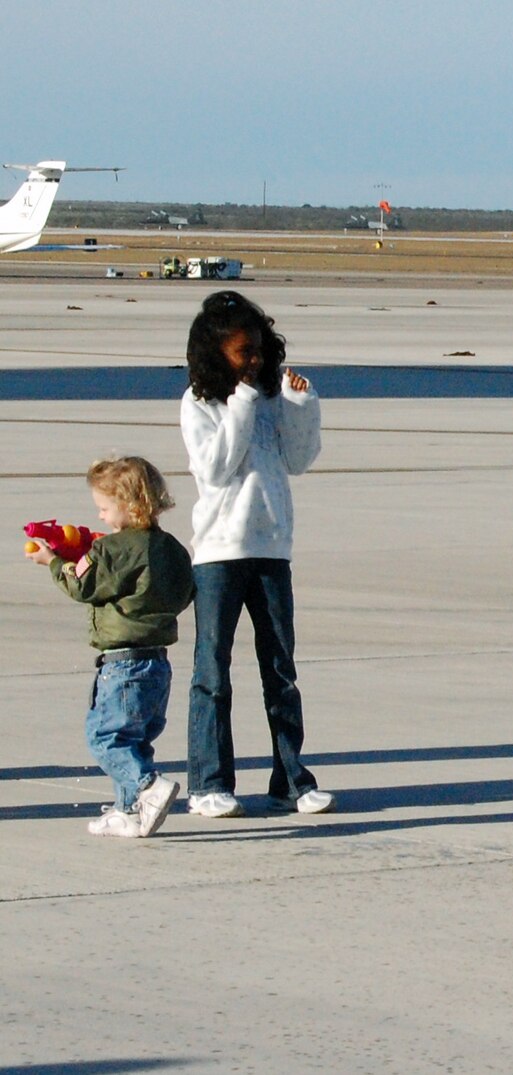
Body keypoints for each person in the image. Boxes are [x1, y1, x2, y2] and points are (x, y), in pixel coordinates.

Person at [180, 290, 333, 818]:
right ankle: (208, 782)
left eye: (260, 350)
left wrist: (300, 407)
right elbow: (216, 468)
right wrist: (243, 401)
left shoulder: (268, 396)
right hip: (220, 552)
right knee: (212, 670)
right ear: (216, 352)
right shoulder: (199, 403)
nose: (255, 360)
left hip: (272, 549)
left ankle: (291, 779)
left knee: (280, 669)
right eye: (244, 351)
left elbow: (298, 458)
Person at [26, 457, 195, 838]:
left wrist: (53, 562)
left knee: (105, 737)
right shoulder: (171, 548)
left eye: (104, 508)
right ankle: (127, 811)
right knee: (135, 740)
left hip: (122, 665)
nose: (101, 517)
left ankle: (148, 786)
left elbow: (82, 586)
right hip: (158, 663)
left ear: (131, 505)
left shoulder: (112, 550)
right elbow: (185, 591)